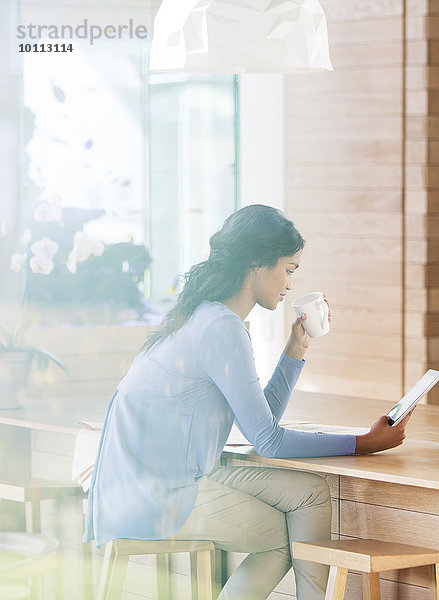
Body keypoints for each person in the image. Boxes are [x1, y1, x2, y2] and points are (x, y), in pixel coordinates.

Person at [84, 204, 411, 600]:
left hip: (150, 484)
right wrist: (363, 443)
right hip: (156, 497)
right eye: (288, 269)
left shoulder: (202, 315)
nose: (290, 284)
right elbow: (270, 441)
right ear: (257, 263)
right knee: (279, 538)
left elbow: (262, 425)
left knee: (310, 493)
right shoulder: (222, 328)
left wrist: (296, 348)